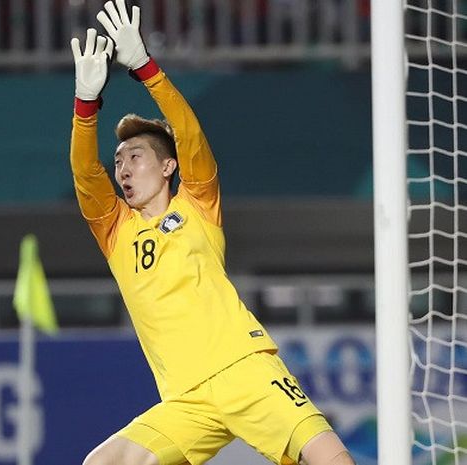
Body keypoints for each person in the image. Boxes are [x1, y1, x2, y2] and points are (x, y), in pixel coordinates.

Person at [69, 2, 356, 465]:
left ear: (168, 167)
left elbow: (190, 134)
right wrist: (86, 105)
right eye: (118, 160)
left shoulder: (198, 202)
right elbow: (85, 172)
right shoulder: (115, 230)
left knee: (333, 461)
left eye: (135, 156)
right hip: (185, 399)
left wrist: (145, 67)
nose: (122, 167)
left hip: (244, 369)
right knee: (100, 463)